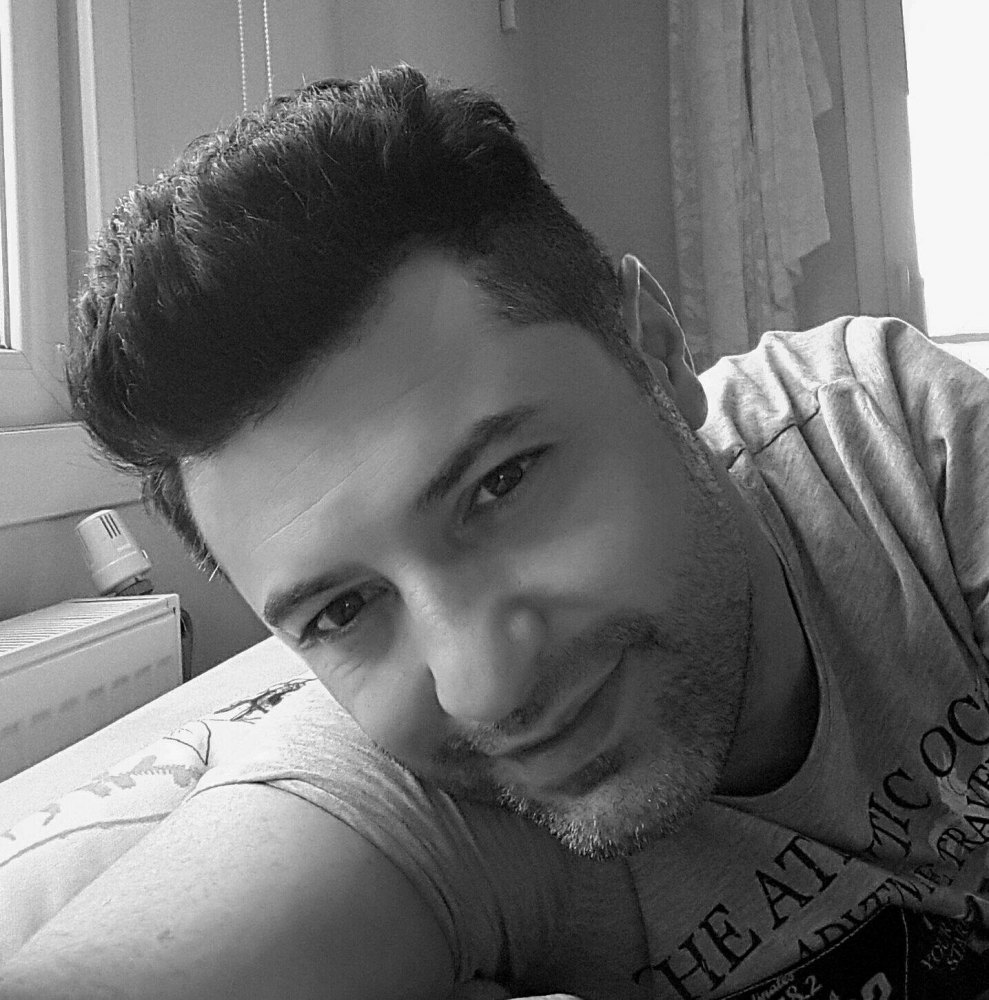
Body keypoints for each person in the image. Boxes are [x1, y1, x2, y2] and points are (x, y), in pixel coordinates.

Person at [3, 65, 989, 1000]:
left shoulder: (889, 446)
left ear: (654, 352)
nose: (483, 688)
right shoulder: (411, 800)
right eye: (342, 611)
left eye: (499, 484)